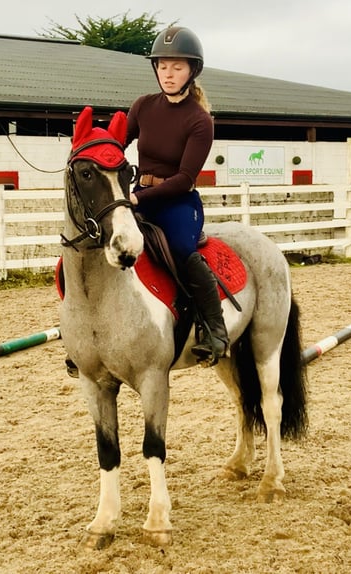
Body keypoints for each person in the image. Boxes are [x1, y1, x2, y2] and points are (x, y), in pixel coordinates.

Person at [125, 26, 228, 364]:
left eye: (177, 67)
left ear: (192, 71)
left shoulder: (200, 121)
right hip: (138, 195)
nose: (168, 74)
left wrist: (140, 199)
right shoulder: (142, 106)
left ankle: (215, 329)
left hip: (178, 203)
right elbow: (116, 144)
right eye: (162, 66)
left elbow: (185, 178)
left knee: (183, 251)